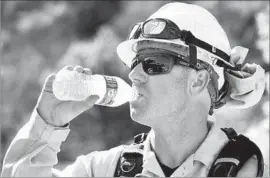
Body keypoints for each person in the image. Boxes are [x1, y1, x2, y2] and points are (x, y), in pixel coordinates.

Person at [1, 2, 268, 177]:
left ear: (198, 81)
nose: (134, 74)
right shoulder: (105, 170)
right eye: (136, 62)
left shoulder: (253, 167)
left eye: (153, 64)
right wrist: (47, 123)